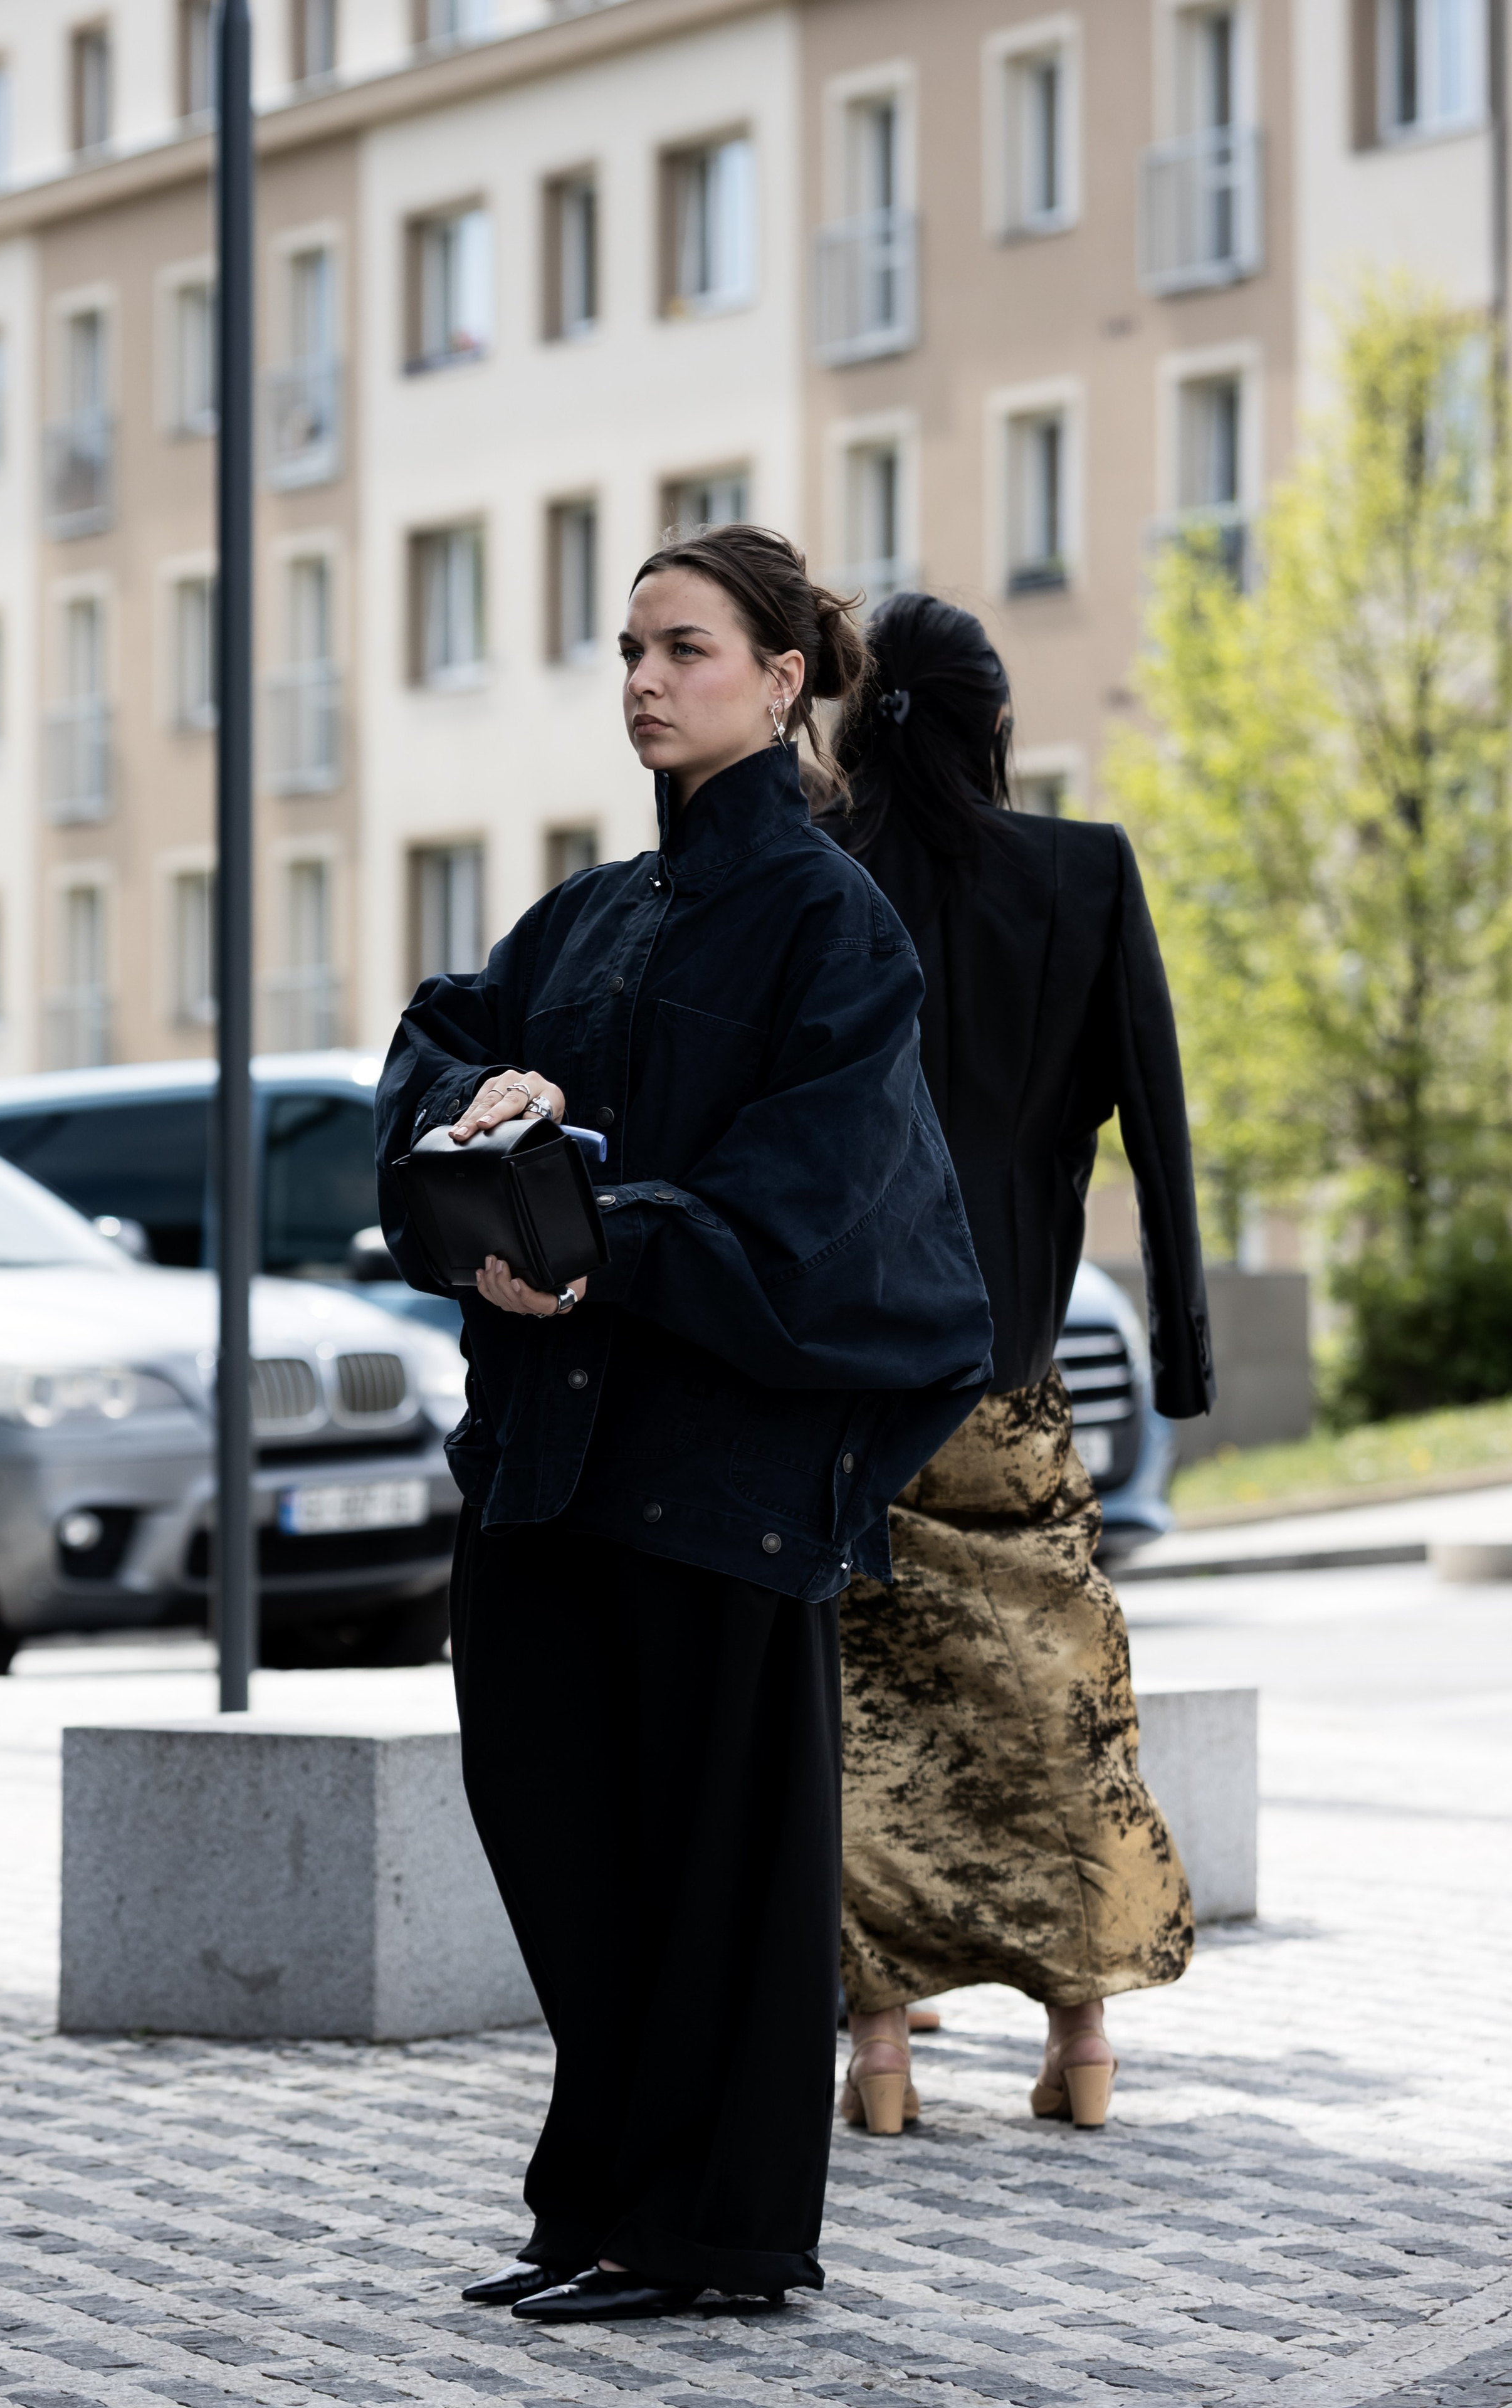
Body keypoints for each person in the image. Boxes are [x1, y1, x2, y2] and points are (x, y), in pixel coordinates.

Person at [374, 530, 992, 2320]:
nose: (645, 678)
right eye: (629, 649)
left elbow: (831, 1204)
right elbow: (433, 1052)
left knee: (712, 1876)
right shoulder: (587, 912)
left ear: (786, 679)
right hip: (551, 1472)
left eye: (687, 648)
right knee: (563, 1845)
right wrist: (486, 1147)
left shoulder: (829, 920)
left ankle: (706, 2233)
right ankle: (595, 2204)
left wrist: (591, 1229)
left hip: (719, 1484)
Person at [816, 592, 1215, 2137]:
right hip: (1009, 1357)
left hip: (839, 1364)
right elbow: (1159, 1135)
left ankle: (882, 2057)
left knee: (862, 1705)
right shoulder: (1083, 873)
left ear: (856, 723)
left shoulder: (820, 873)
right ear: (995, 725)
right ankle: (1081, 2039)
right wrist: (1177, 1353)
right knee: (1058, 1697)